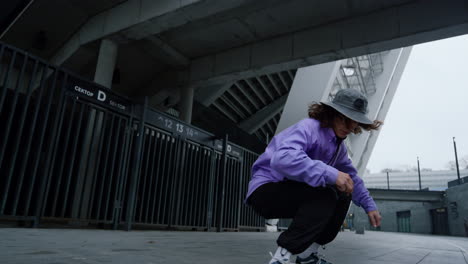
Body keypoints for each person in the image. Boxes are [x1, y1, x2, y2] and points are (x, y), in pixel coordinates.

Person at [245, 89, 382, 264]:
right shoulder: (309, 127)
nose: (350, 127)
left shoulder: (338, 148)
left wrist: (370, 206)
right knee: (325, 194)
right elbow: (282, 159)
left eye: (354, 123)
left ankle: (308, 256)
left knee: (343, 193)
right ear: (332, 114)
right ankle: (281, 258)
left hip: (294, 192)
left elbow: (351, 178)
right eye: (345, 120)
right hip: (266, 190)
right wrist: (330, 173)